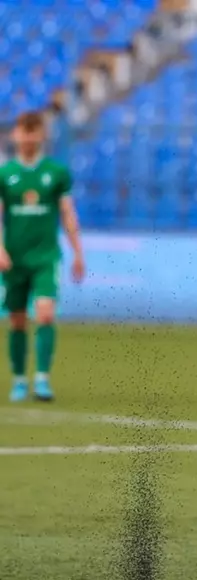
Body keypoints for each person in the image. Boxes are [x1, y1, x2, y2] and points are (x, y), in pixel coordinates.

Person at [0, 110, 85, 402]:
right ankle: (19, 379)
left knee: (46, 314)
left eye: (34, 132)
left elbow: (68, 213)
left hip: (46, 257)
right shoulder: (5, 174)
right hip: (14, 259)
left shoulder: (56, 173)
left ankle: (42, 379)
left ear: (42, 135)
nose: (29, 138)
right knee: (17, 320)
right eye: (24, 132)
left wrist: (78, 252)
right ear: (15, 135)